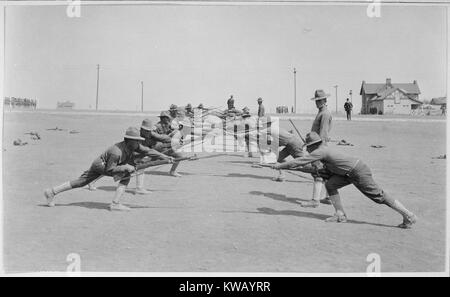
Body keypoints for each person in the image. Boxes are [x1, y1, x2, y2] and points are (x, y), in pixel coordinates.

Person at [273, 132, 417, 229]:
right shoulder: (324, 150)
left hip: (358, 171)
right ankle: (340, 215)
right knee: (331, 184)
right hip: (349, 172)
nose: (308, 151)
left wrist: (280, 165)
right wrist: (288, 167)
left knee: (379, 196)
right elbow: (311, 168)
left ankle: (408, 216)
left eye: (308, 148)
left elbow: (300, 162)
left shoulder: (320, 152)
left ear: (312, 146)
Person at [44, 127, 172, 211]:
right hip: (101, 165)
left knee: (81, 182)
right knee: (125, 174)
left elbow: (149, 151)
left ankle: (52, 192)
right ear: (129, 140)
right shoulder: (116, 152)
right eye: (136, 141)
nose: (138, 144)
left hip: (102, 163)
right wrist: (126, 167)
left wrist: (165, 157)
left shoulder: (133, 146)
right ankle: (115, 204)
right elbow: (111, 170)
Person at [307, 89, 333, 206]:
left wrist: (319, 150)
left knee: (318, 172)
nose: (316, 103)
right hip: (317, 145)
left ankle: (315, 200)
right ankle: (328, 198)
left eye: (319, 101)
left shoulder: (325, 114)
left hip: (320, 147)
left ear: (324, 100)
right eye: (316, 100)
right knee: (326, 173)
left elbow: (323, 134)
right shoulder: (321, 112)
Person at [152, 111, 187, 177]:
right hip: (159, 147)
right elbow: (154, 138)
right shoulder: (156, 127)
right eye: (167, 118)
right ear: (163, 118)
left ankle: (172, 171)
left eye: (168, 118)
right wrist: (169, 136)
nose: (168, 119)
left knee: (179, 156)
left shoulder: (168, 124)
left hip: (166, 146)